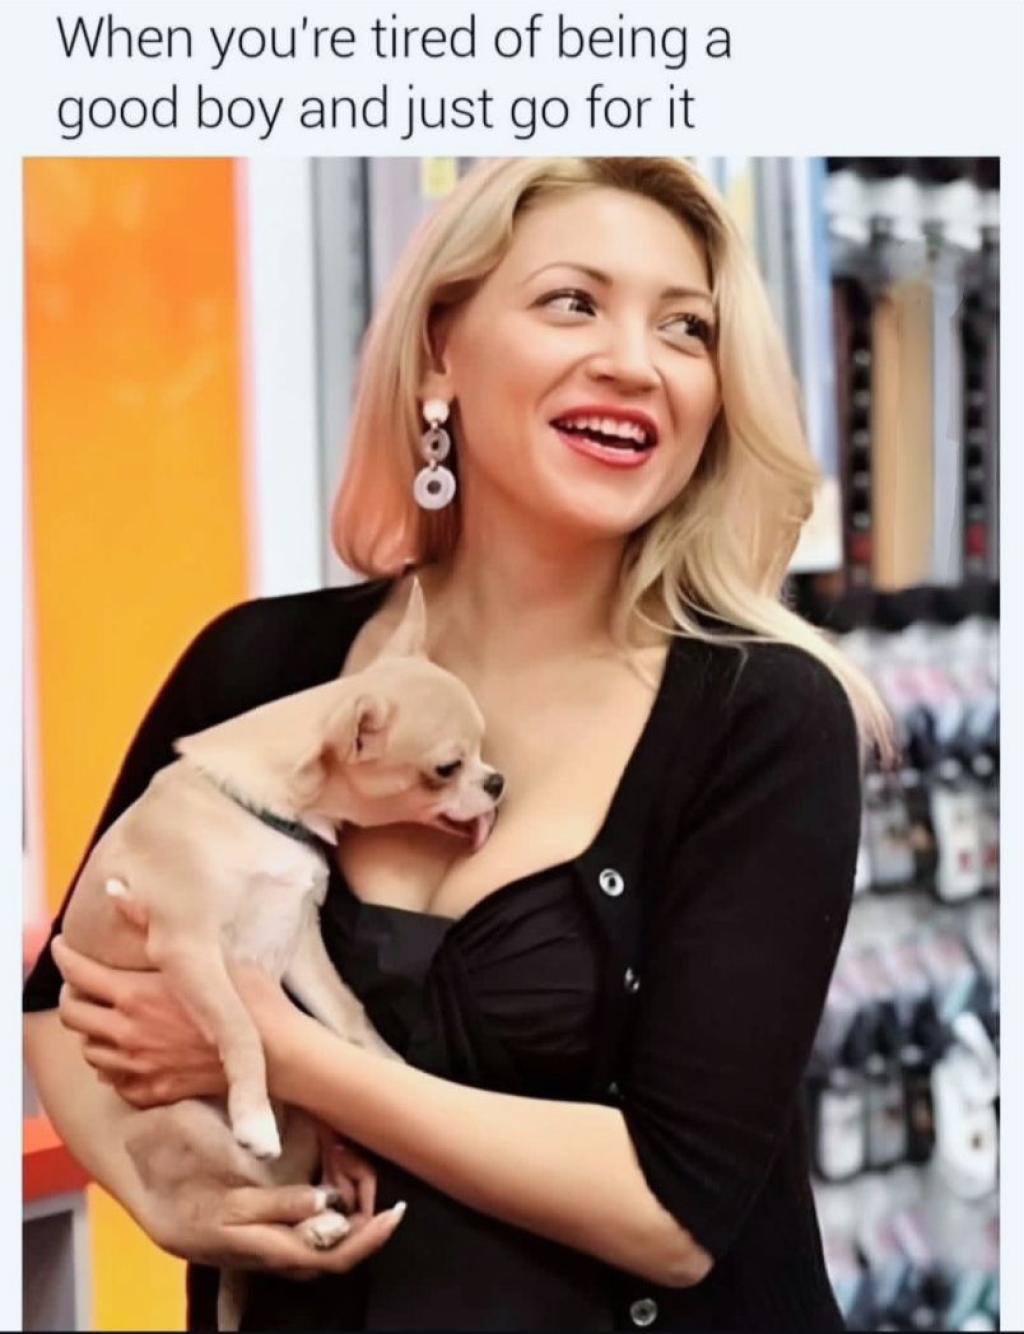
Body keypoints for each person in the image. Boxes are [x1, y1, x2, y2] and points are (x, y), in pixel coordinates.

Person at [25, 157, 892, 1332]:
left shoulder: (763, 713)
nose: (634, 361)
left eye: (685, 327)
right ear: (441, 350)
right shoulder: (262, 664)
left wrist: (285, 1053)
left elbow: (672, 1205)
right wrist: (170, 1198)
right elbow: (59, 998)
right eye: (573, 301)